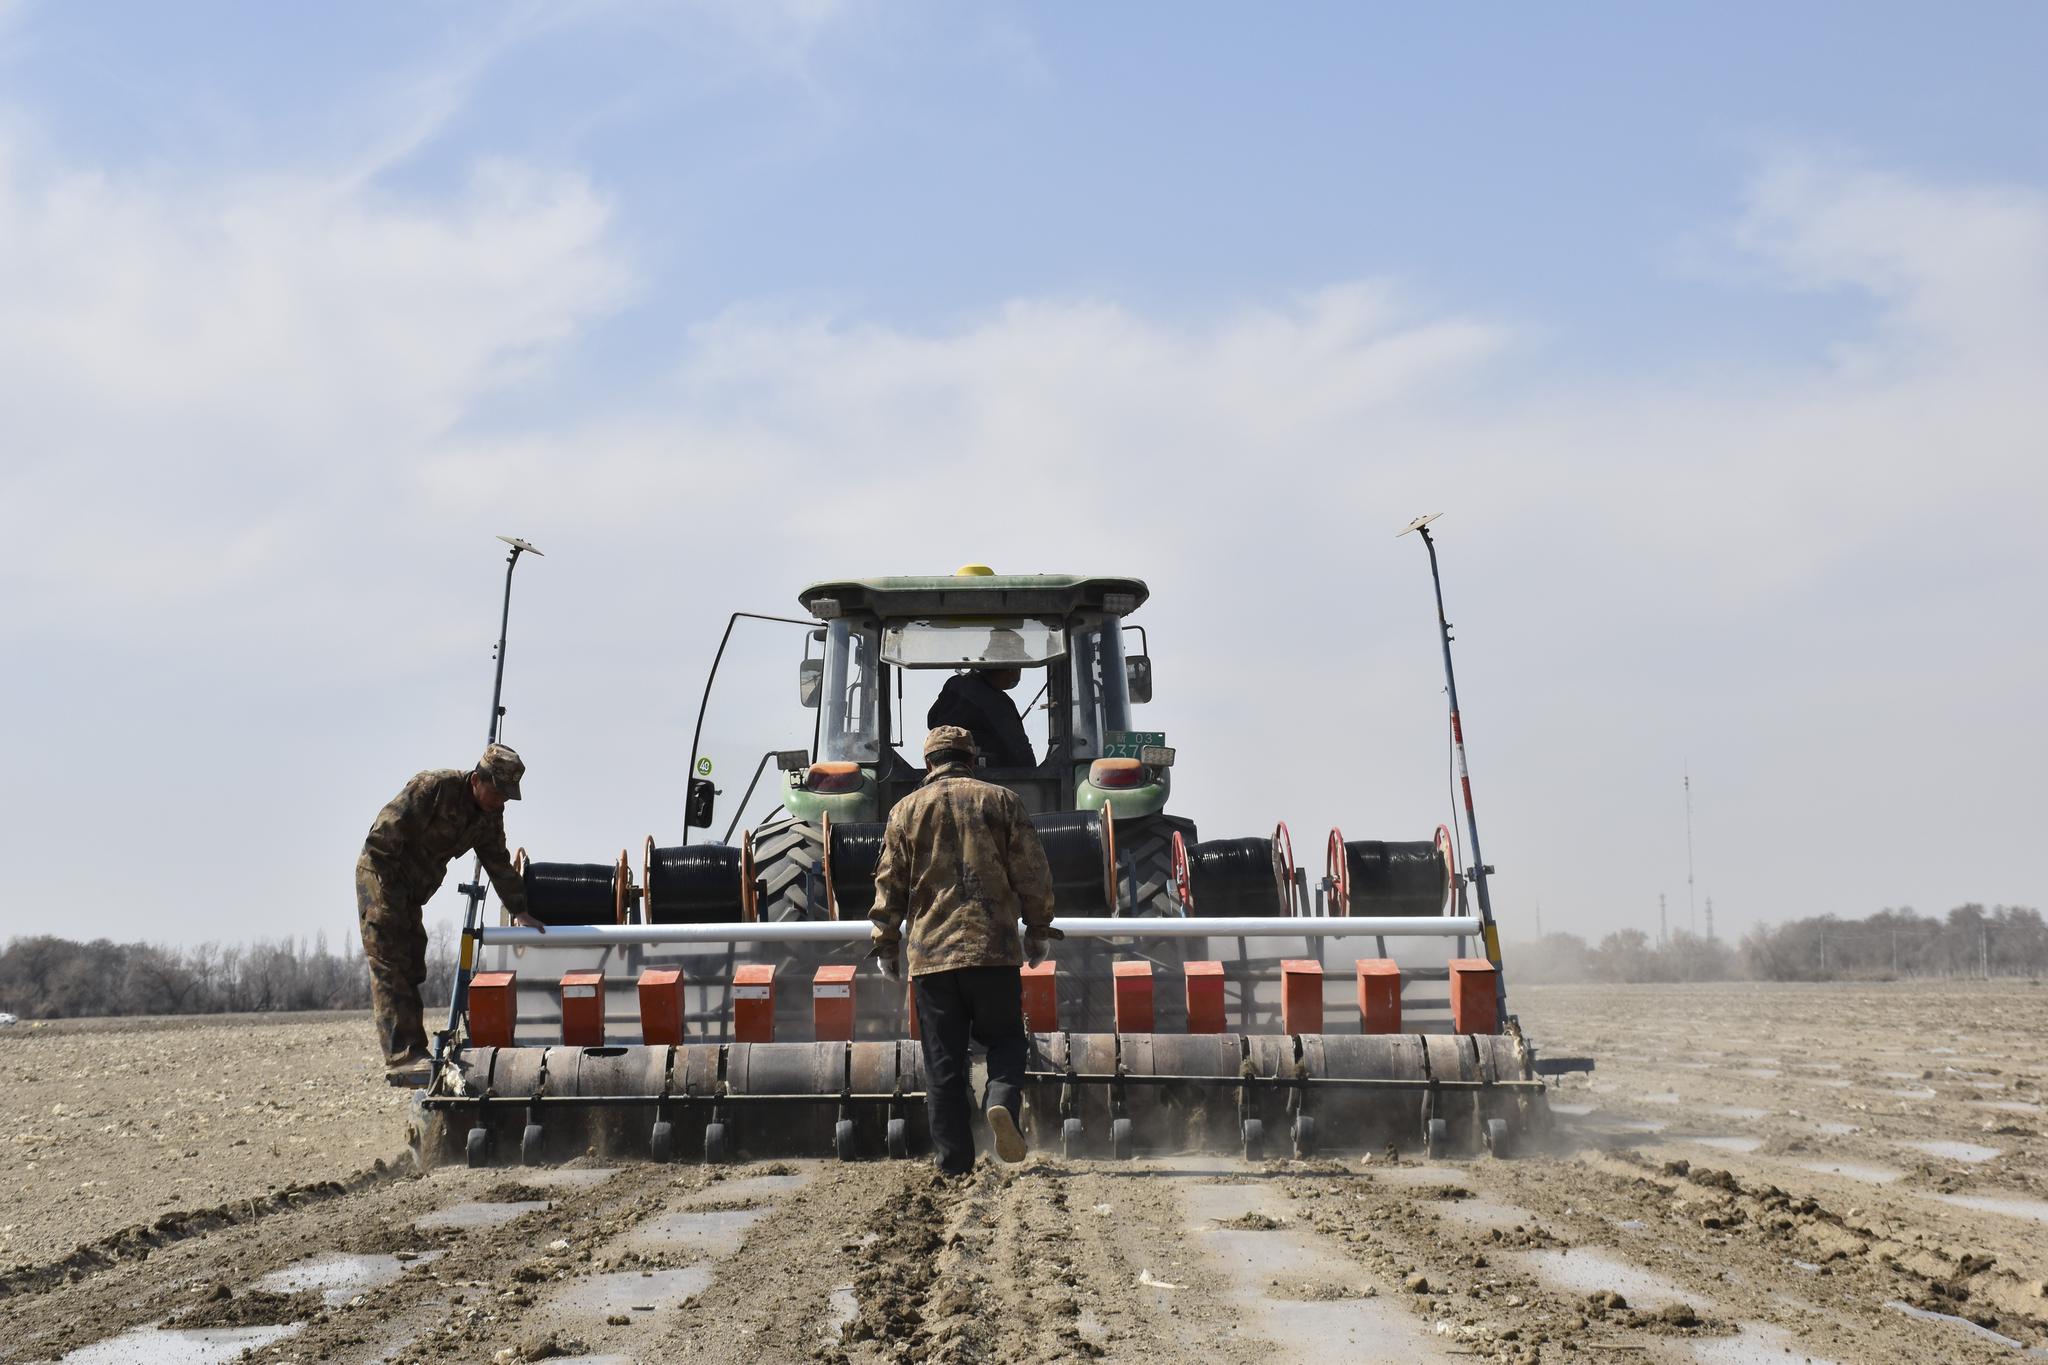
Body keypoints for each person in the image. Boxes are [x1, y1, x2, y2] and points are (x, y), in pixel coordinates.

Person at [869, 725, 1061, 1173]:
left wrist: (886, 942)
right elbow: (1033, 873)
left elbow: (888, 884)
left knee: (944, 1062)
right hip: (992, 951)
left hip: (932, 957)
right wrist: (1038, 929)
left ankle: (954, 1163)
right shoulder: (1002, 801)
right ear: (972, 759)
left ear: (928, 763)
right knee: (1007, 1039)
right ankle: (1001, 1101)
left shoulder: (904, 812)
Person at [356, 744, 545, 1082]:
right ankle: (402, 1054)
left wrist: (520, 910)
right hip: (383, 878)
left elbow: (498, 861)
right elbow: (381, 839)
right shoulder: (434, 787)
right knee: (390, 960)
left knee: (413, 962)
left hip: (412, 891)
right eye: (498, 792)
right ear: (477, 779)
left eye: (507, 795)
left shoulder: (489, 815)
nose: (501, 800)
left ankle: (414, 1049)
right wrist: (390, 897)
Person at [926, 629, 1035, 768]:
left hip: (941, 769)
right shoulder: (998, 702)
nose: (1018, 674)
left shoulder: (954, 683)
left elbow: (932, 721)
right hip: (985, 777)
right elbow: (1022, 755)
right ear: (1011, 668)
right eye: (1020, 666)